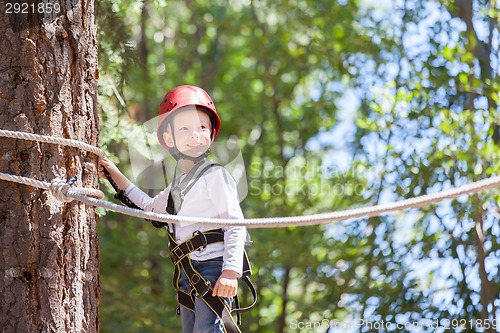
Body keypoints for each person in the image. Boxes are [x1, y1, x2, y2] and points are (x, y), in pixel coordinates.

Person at [98, 85, 249, 333]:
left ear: (211, 134)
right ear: (170, 139)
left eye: (202, 127)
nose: (196, 134)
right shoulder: (176, 188)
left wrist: (231, 272)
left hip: (213, 267)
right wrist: (117, 177)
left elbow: (235, 223)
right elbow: (148, 208)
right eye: (185, 128)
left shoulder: (215, 176)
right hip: (187, 272)